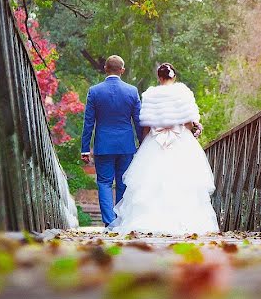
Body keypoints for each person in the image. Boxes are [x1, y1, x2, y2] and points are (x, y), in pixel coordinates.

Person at [107, 63, 219, 235]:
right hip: (180, 140)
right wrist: (193, 130)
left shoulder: (151, 95)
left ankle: (147, 221)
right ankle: (187, 222)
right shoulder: (182, 93)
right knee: (183, 181)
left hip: (154, 141)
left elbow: (145, 125)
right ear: (174, 77)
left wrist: (143, 144)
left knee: (151, 182)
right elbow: (188, 122)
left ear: (159, 78)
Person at [80, 55, 142, 227]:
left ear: (105, 69)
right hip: (126, 145)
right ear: (122, 70)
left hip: (104, 145)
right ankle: (121, 221)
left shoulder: (95, 91)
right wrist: (142, 143)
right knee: (123, 182)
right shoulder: (132, 91)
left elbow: (89, 122)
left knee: (104, 183)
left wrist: (85, 148)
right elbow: (138, 121)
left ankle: (110, 223)